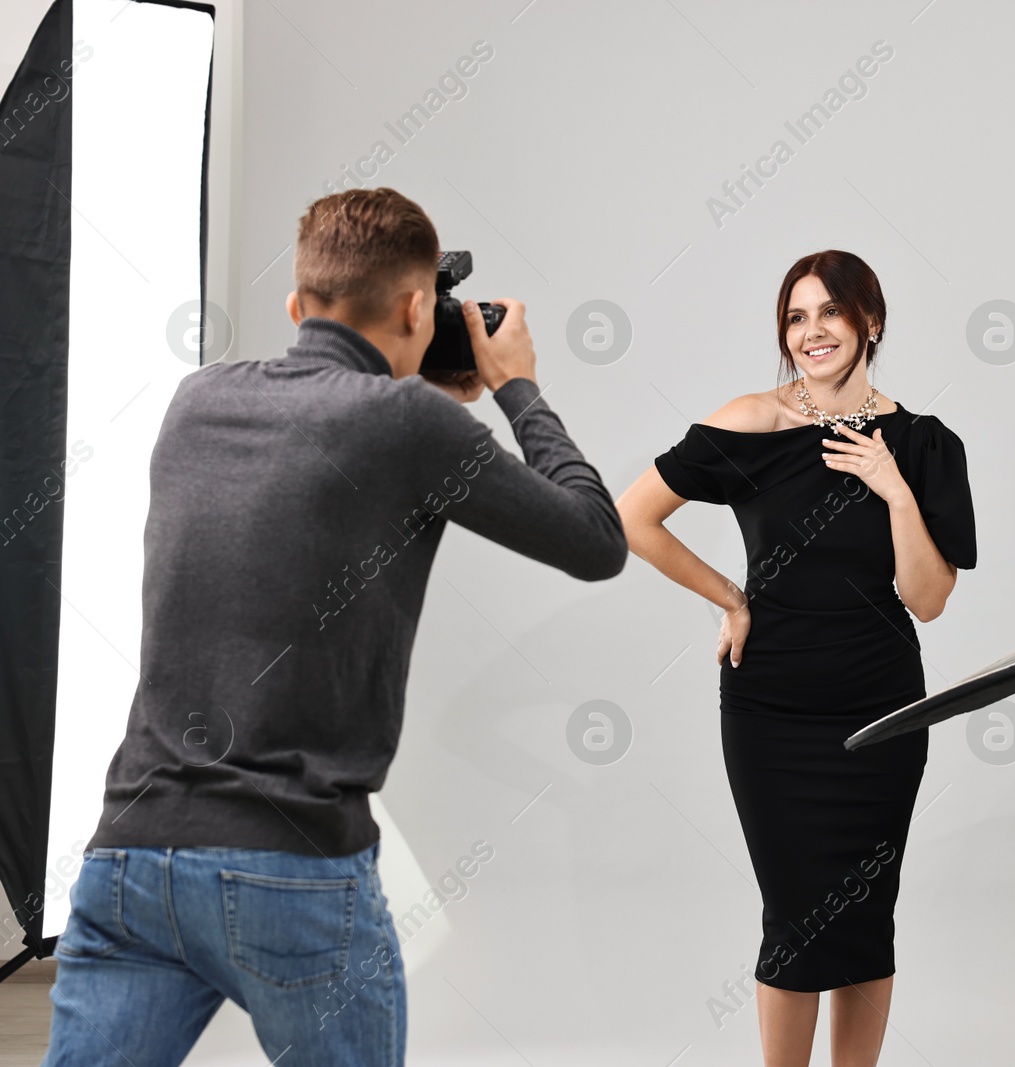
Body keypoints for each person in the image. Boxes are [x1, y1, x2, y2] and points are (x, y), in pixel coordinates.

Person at [42, 187, 626, 1066]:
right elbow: (596, 540)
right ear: (416, 307)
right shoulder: (409, 423)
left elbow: (321, 436)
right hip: (291, 868)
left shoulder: (194, 402)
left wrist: (412, 378)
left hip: (132, 856)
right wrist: (518, 387)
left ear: (295, 304)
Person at [617, 250, 976, 1067]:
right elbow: (634, 517)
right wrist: (730, 597)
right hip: (770, 712)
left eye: (830, 312)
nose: (812, 331)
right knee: (794, 916)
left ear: (870, 322)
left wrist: (892, 488)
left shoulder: (922, 445)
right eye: (796, 316)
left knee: (863, 915)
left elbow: (928, 597)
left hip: (883, 710)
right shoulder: (752, 422)